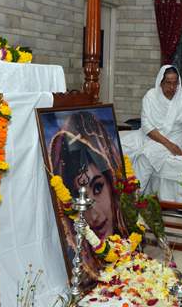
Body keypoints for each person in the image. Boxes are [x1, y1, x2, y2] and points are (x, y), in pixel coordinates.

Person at [48, 111, 128, 285]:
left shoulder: (129, 239)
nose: (94, 216)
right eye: (77, 196)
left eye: (98, 188)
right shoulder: (77, 263)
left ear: (112, 184)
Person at [122, 65, 182, 193]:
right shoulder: (150, 96)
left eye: (175, 83)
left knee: (147, 154)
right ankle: (117, 189)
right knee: (122, 146)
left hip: (176, 137)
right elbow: (147, 127)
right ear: (160, 82)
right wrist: (169, 145)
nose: (172, 87)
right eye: (168, 83)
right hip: (151, 135)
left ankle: (133, 196)